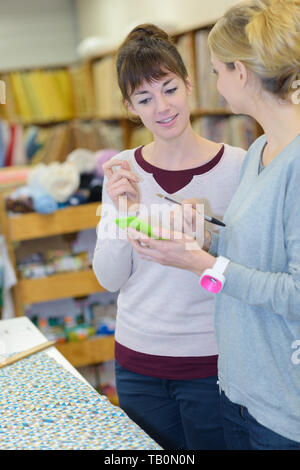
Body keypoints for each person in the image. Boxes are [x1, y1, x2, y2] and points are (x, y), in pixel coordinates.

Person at [128, 1, 300, 451]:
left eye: (217, 72)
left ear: (240, 72)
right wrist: (208, 236)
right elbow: (257, 249)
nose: (216, 86)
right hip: (239, 390)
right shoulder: (262, 147)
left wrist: (202, 264)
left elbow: (297, 296)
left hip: (284, 406)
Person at [93, 23, 246, 450]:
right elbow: (109, 278)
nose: (162, 106)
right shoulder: (122, 170)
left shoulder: (238, 166)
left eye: (169, 88)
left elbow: (248, 268)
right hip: (137, 364)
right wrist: (124, 214)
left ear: (189, 84)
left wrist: (206, 243)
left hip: (214, 364)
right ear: (130, 107)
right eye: (145, 98)